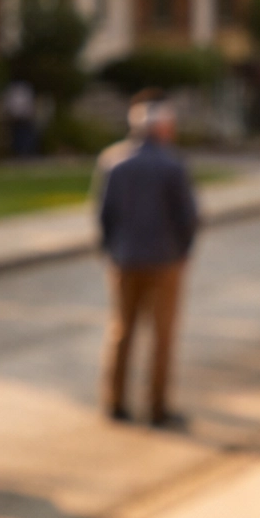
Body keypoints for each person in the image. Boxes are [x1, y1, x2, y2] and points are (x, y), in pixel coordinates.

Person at [94, 91, 198, 429]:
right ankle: (157, 407)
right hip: (164, 260)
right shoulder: (172, 163)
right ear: (163, 126)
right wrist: (183, 253)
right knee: (162, 336)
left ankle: (115, 401)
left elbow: (103, 214)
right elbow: (188, 217)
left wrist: (111, 249)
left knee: (122, 331)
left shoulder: (113, 161)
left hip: (124, 260)